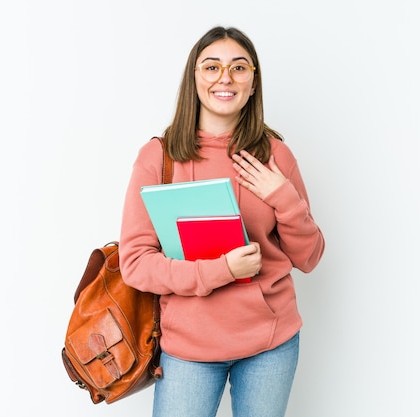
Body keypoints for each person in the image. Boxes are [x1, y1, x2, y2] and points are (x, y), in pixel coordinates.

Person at [119, 26, 325, 417]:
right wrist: (222, 270)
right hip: (189, 347)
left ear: (253, 82)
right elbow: (135, 263)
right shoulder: (158, 157)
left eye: (239, 68)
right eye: (211, 67)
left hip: (270, 344)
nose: (225, 78)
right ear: (193, 78)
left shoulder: (276, 154)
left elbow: (310, 258)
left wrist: (283, 196)